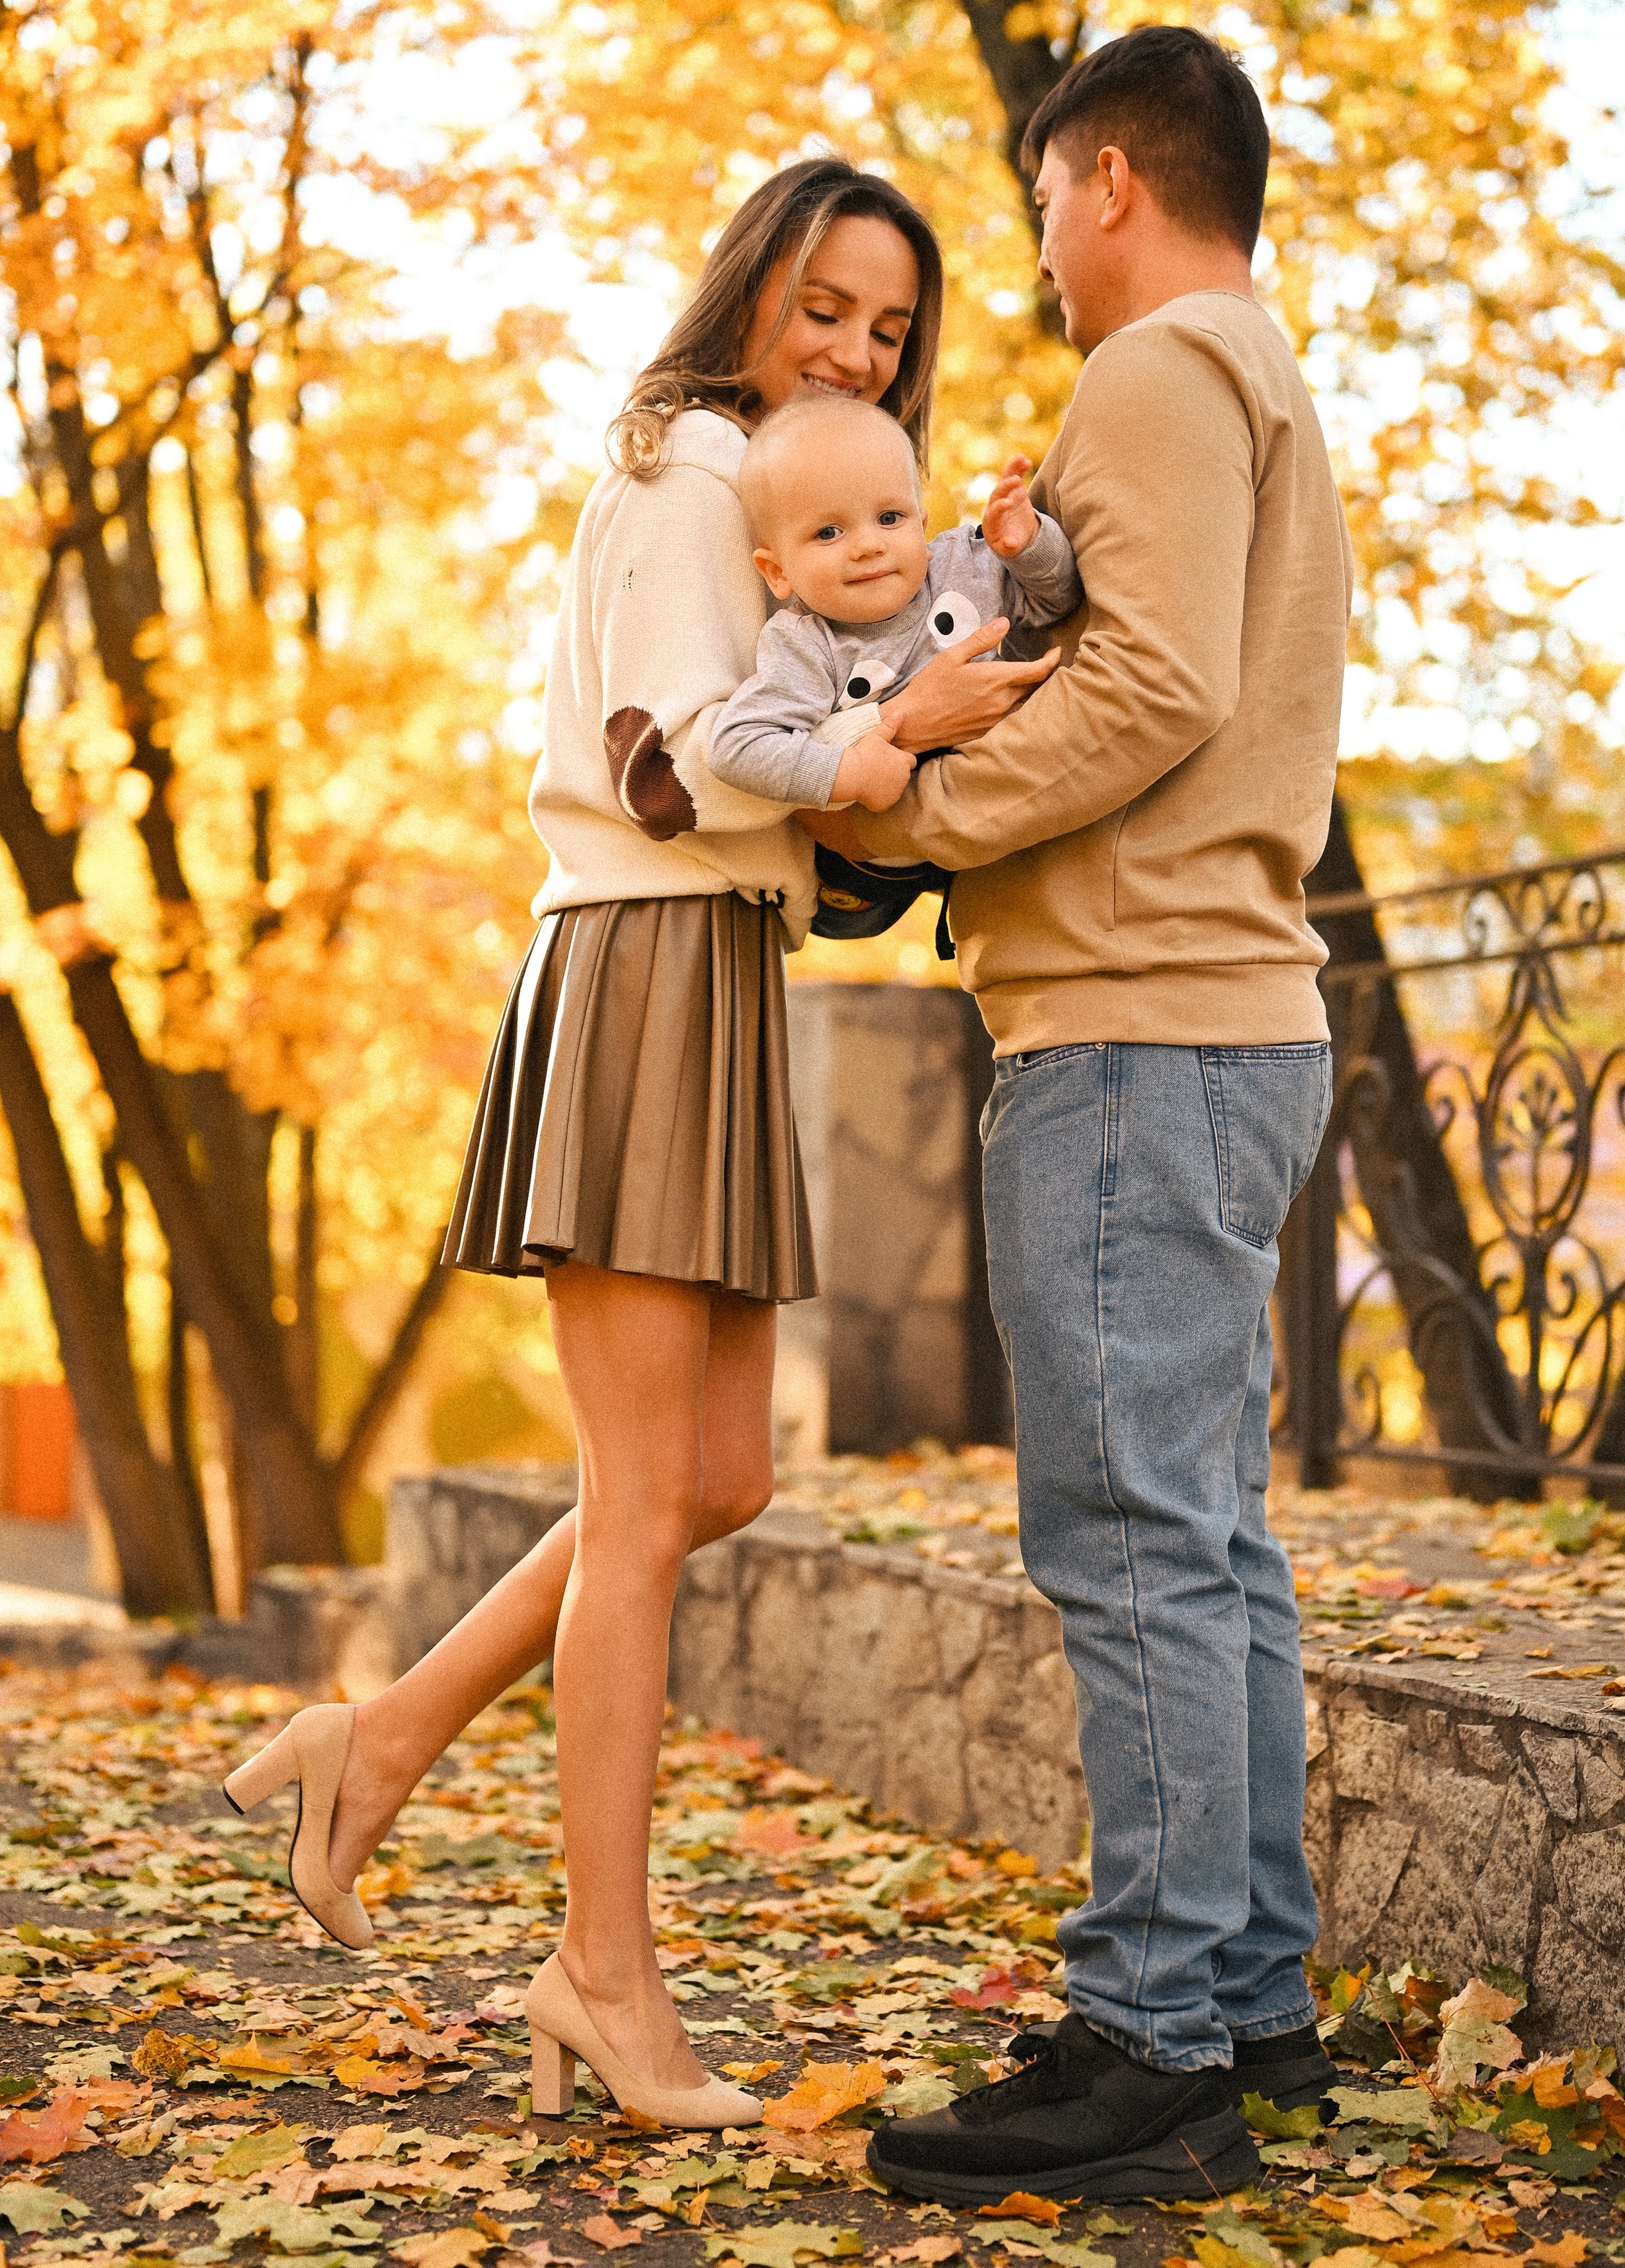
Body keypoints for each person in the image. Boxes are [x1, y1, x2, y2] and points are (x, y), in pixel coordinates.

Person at [220, 154, 1055, 2123]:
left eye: (888, 325)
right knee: (642, 1502)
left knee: (713, 1479)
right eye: (825, 302)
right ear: (755, 282)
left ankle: (392, 1732)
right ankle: (605, 1976)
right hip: (646, 960)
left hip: (712, 978)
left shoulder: (758, 484)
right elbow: (680, 772)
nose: (852, 343)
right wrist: (900, 740)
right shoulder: (693, 477)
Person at [826, 27, 1355, 2205]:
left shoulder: (1150, 366)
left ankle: (1146, 2043)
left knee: (1131, 1543)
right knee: (1209, 1537)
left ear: (1112, 178)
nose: (1034, 249)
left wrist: (923, 809)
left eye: (1043, 203)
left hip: (1132, 1033)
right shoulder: (1258, 372)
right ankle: (1244, 1999)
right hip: (1224, 1026)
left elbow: (1155, 692)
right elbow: (1164, 656)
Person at [706, 398, 1081, 815]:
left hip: (1045, 785)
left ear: (922, 530)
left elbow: (1058, 601)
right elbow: (737, 747)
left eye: (889, 518)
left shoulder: (966, 566)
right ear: (777, 572)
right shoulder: (807, 646)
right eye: (828, 532)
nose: (869, 546)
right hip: (914, 836)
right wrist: (855, 772)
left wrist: (1028, 545)